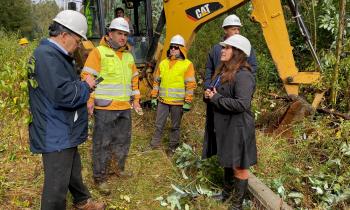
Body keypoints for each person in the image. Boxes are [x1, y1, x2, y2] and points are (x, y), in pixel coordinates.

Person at [27, 10, 105, 210]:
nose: (78, 45)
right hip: (55, 131)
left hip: (62, 127)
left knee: (72, 169)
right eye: (78, 40)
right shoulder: (47, 57)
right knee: (56, 189)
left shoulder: (54, 55)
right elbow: (64, 95)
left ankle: (82, 200)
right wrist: (86, 86)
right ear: (64, 35)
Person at [202, 14, 257, 205]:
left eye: (226, 47)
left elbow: (242, 104)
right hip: (227, 125)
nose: (222, 49)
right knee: (227, 160)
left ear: (237, 52)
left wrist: (216, 98)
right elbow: (216, 93)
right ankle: (226, 194)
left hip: (239, 128)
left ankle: (237, 204)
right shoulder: (224, 71)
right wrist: (209, 95)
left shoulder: (243, 75)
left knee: (240, 167)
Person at [81, 17, 141, 194]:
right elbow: (87, 78)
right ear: (110, 34)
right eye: (119, 33)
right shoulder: (98, 52)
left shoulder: (129, 56)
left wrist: (136, 100)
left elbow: (134, 80)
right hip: (105, 108)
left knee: (123, 141)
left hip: (124, 108)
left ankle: (118, 169)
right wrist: (89, 101)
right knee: (102, 143)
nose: (123, 37)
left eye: (125, 34)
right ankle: (100, 178)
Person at [149, 34, 197, 156]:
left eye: (176, 47)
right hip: (163, 101)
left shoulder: (187, 64)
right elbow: (156, 82)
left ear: (181, 49)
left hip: (178, 103)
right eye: (171, 47)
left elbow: (190, 85)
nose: (172, 50)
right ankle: (154, 145)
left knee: (175, 127)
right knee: (159, 124)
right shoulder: (163, 63)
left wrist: (188, 101)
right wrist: (154, 97)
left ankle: (172, 148)